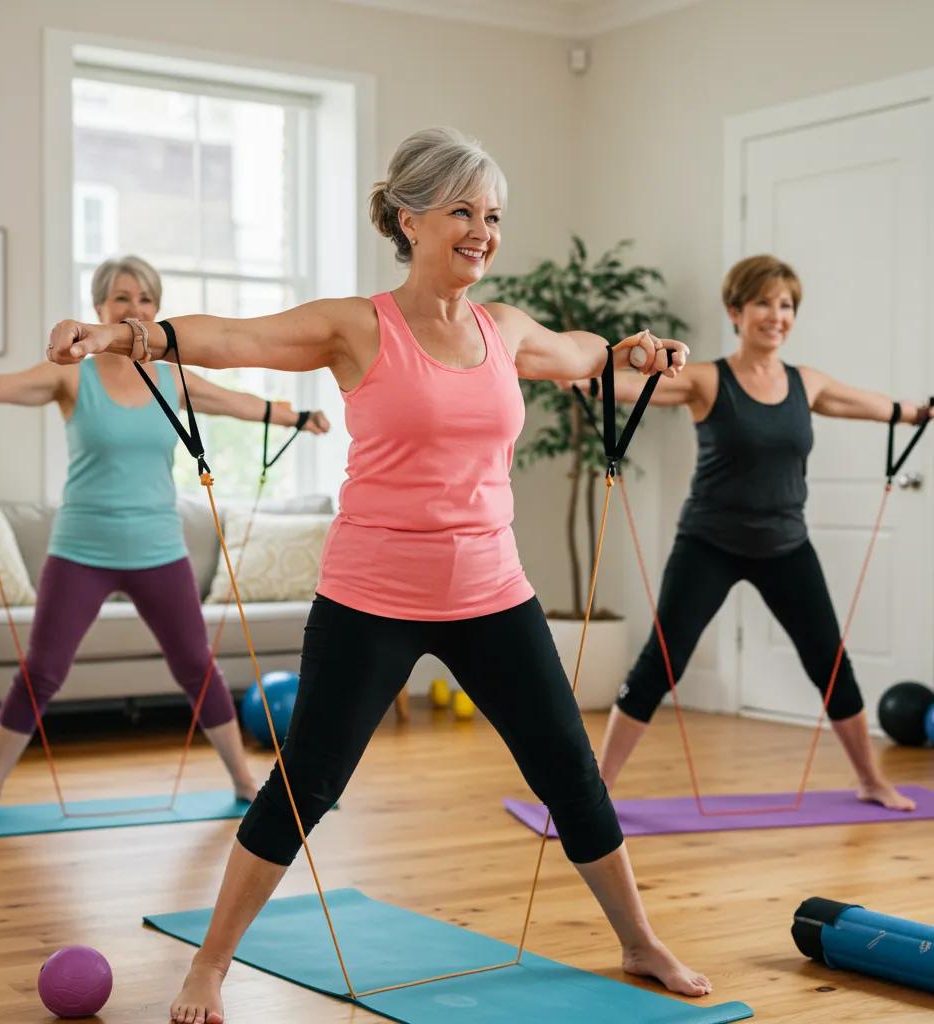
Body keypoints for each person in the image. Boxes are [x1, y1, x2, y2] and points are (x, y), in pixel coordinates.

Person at [48, 128, 709, 1024]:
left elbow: (581, 352)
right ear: (412, 218)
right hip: (372, 599)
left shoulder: (502, 328)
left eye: (494, 216)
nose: (483, 231)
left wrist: (631, 351)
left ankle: (637, 938)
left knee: (571, 774)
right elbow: (236, 338)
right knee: (307, 784)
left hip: (492, 593)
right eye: (463, 212)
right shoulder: (359, 326)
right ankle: (209, 965)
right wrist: (128, 334)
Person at [0, 255, 330, 829]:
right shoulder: (71, 374)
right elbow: (4, 386)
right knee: (41, 672)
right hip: (81, 547)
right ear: (100, 307)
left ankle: (241, 778)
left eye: (146, 300)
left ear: (157, 310)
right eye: (122, 299)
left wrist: (295, 417)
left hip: (159, 548)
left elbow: (236, 404)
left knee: (196, 668)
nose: (134, 309)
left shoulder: (171, 375)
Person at [593, 254, 928, 811]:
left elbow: (872, 405)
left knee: (829, 660)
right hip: (709, 544)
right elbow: (619, 390)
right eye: (764, 303)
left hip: (786, 546)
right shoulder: (705, 380)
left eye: (787, 305)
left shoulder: (807, 383)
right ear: (735, 310)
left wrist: (918, 412)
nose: (776, 315)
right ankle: (596, 790)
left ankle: (870, 779)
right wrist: (591, 369)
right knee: (661, 664)